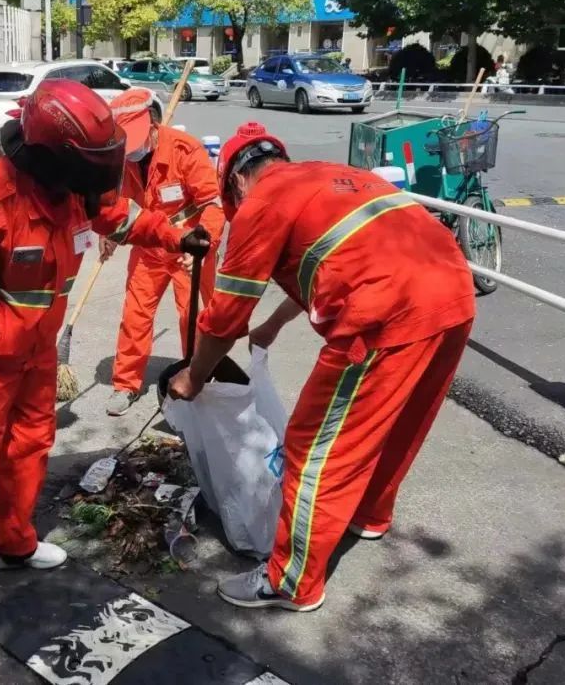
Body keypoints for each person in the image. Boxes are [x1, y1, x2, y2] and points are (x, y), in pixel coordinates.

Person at [0, 80, 211, 623]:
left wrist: (174, 237)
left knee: (29, 450)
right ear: (52, 154)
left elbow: (121, 216)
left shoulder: (76, 185)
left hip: (39, 354)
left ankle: (14, 544)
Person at [168, 122, 475, 613]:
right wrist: (273, 325)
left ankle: (290, 582)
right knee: (398, 418)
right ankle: (369, 515)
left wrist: (194, 376)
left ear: (236, 182)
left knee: (315, 448)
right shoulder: (333, 176)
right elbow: (332, 254)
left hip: (384, 314)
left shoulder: (261, 201)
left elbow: (225, 316)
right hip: (453, 292)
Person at [99, 88, 226, 416]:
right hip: (149, 247)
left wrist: (204, 243)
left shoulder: (185, 150)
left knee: (194, 317)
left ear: (153, 125)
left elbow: (213, 203)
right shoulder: (120, 160)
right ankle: (125, 383)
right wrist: (111, 234)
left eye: (135, 143)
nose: (131, 153)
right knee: (135, 315)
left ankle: (198, 377)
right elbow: (117, 205)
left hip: (190, 246)